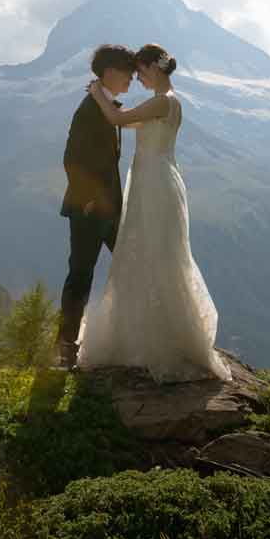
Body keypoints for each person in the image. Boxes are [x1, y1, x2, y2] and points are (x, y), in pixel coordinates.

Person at [75, 43, 229, 381]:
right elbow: (131, 122)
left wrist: (96, 94)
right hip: (161, 180)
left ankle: (149, 337)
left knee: (151, 252)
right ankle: (164, 330)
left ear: (153, 69)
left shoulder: (161, 101)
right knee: (160, 253)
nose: (138, 77)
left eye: (141, 71)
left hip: (153, 183)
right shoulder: (170, 102)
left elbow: (118, 119)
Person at [56, 43, 137, 370]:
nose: (131, 79)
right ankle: (65, 348)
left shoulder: (105, 107)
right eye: (128, 73)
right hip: (89, 210)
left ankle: (129, 338)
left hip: (112, 211)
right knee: (80, 275)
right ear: (111, 72)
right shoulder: (88, 110)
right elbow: (72, 159)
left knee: (133, 265)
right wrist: (88, 199)